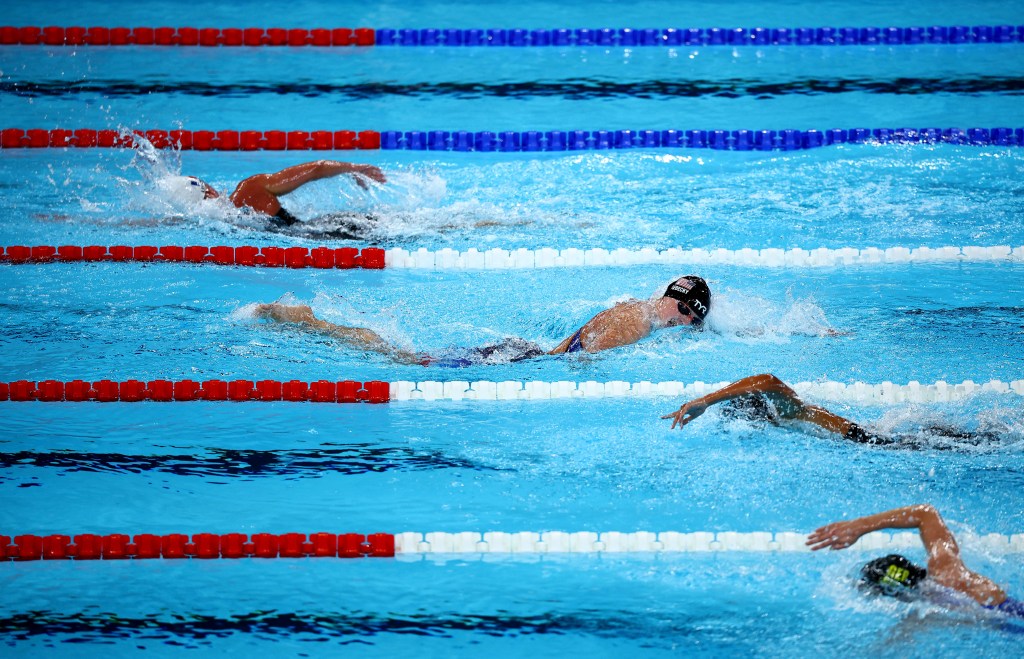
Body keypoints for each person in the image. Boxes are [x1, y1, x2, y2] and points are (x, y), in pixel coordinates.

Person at [254, 275, 711, 365]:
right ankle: (309, 321)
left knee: (411, 358)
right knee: (407, 362)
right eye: (683, 306)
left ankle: (309, 321)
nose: (684, 318)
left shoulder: (638, 310)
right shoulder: (637, 320)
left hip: (526, 354)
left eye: (693, 318)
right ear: (668, 296)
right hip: (523, 361)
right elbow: (582, 362)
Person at [806, 504, 1023, 619]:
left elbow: (926, 512)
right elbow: (924, 514)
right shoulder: (943, 571)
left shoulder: (945, 575)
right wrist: (860, 526)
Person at [661, 373, 993, 448]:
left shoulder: (787, 412)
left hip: (868, 439)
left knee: (973, 444)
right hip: (866, 435)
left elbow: (766, 379)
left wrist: (706, 399)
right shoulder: (786, 418)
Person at [167, 159, 387, 238]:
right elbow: (315, 169)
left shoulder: (212, 226)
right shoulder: (248, 191)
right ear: (208, 191)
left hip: (319, 240)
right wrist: (355, 168)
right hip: (336, 229)